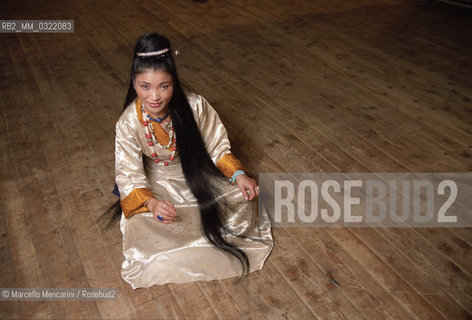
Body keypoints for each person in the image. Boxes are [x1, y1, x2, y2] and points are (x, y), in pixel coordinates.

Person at [102, 32, 273, 289]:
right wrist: (152, 204)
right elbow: (129, 173)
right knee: (140, 225)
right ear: (134, 84)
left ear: (174, 82)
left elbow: (216, 146)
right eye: (144, 86)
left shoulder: (195, 106)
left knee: (242, 197)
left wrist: (238, 175)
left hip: (194, 173)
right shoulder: (128, 122)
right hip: (155, 182)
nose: (155, 97)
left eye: (164, 86)